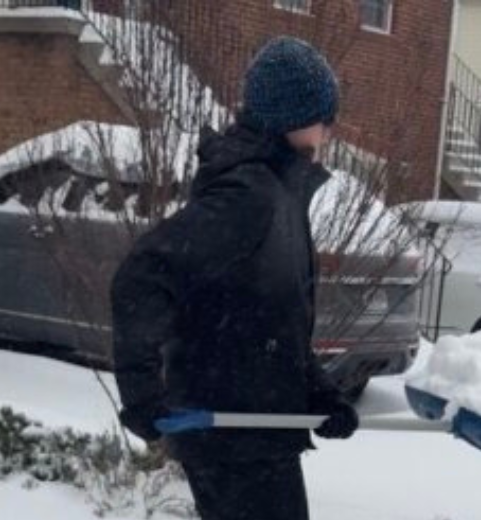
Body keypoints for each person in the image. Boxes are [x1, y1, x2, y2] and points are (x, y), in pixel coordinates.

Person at [110, 36, 359, 520]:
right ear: (292, 116)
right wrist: (141, 393)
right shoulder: (248, 197)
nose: (329, 131)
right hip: (232, 440)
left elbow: (273, 319)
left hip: (258, 434)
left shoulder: (279, 192)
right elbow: (141, 277)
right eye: (323, 117)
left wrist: (320, 392)